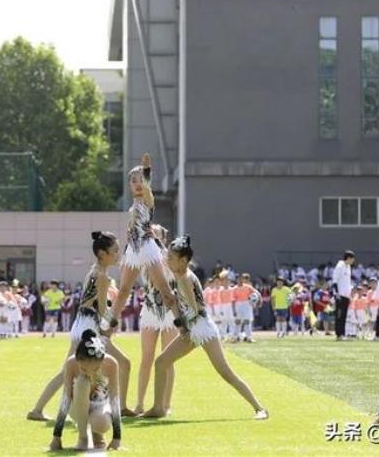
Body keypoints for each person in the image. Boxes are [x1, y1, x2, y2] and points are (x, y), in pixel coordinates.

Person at [141, 235, 268, 420]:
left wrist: (180, 315)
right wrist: (181, 320)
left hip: (203, 329)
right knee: (162, 362)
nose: (166, 261)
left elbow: (194, 308)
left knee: (226, 373)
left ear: (183, 260)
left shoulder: (184, 278)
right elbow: (185, 307)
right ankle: (158, 408)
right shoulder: (179, 274)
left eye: (170, 258)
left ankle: (259, 408)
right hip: (193, 328)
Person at [28, 231, 135, 421]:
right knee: (113, 365)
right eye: (115, 251)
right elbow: (103, 310)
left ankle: (41, 410)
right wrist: (112, 323)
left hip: (83, 325)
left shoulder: (94, 272)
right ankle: (111, 408)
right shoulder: (102, 276)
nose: (118, 254)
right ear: (102, 253)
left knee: (72, 371)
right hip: (88, 329)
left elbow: (95, 306)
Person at [109, 153, 180, 353]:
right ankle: (110, 324)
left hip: (148, 246)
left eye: (141, 180)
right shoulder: (132, 207)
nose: (138, 183)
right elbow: (131, 232)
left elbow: (148, 189)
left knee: (165, 289)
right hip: (133, 249)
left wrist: (147, 170)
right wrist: (124, 254)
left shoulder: (148, 199)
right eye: (134, 180)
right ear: (129, 185)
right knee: (123, 290)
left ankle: (180, 323)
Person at [50, 330, 122, 451]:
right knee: (83, 382)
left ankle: (97, 434)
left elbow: (114, 399)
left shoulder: (111, 364)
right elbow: (66, 399)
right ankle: (83, 437)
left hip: (99, 404)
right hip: (76, 406)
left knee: (100, 422)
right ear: (77, 360)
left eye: (95, 370)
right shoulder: (71, 363)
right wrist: (56, 437)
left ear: (102, 360)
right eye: (83, 369)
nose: (89, 374)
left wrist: (117, 438)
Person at [135, 224, 178, 414]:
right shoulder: (145, 256)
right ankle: (139, 403)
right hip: (150, 309)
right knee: (147, 358)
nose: (151, 236)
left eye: (156, 233)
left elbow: (172, 271)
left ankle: (165, 404)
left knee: (168, 359)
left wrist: (159, 244)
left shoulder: (171, 257)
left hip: (170, 311)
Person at [332, 250, 356, 341]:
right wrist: (336, 294)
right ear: (348, 258)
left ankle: (342, 334)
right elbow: (335, 281)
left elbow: (348, 282)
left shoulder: (348, 267)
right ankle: (338, 334)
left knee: (344, 315)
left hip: (346, 295)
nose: (353, 261)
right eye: (352, 259)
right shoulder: (339, 266)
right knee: (339, 315)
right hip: (340, 295)